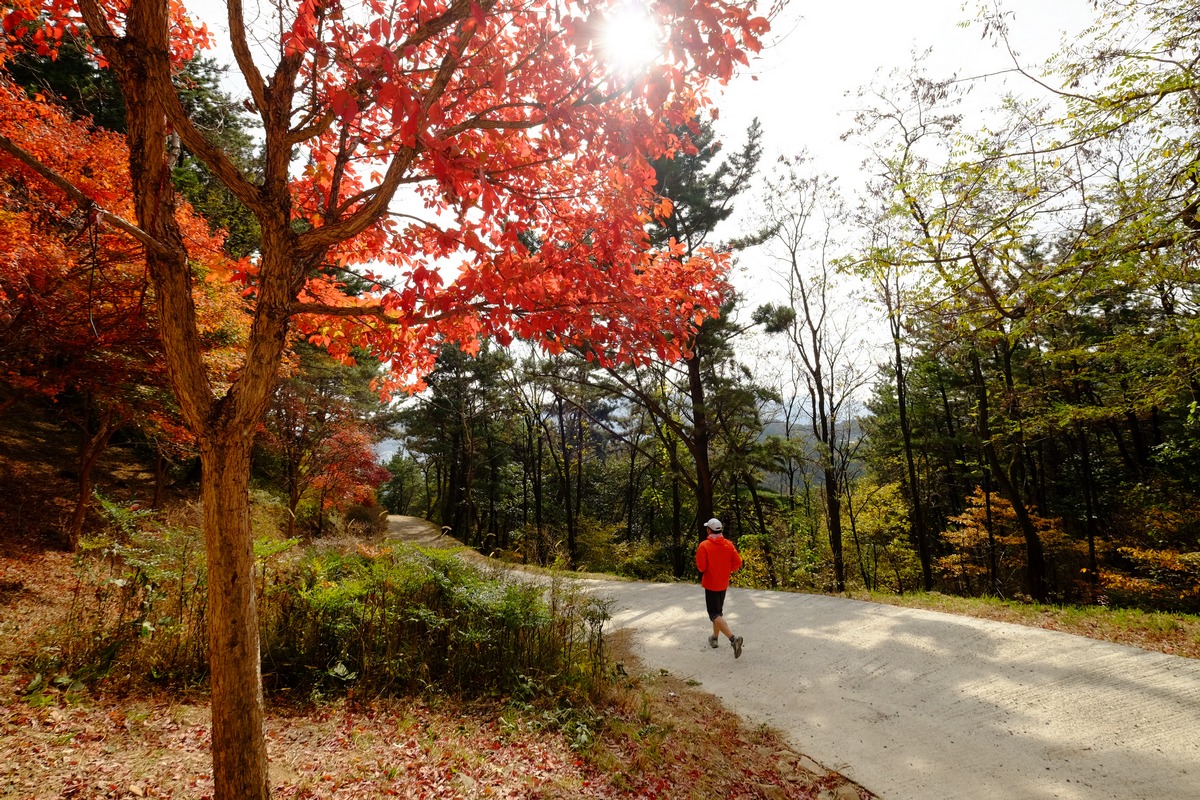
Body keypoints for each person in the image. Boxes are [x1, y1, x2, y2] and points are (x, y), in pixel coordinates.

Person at [695, 517, 744, 658]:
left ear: (709, 530)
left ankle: (733, 639)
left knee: (714, 614)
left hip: (711, 584)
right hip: (723, 583)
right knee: (718, 613)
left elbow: (701, 567)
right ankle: (714, 638)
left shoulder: (704, 546)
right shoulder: (728, 545)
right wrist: (726, 570)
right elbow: (738, 562)